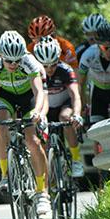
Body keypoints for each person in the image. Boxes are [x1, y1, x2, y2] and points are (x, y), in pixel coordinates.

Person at [0, 30, 51, 219]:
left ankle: (42, 192)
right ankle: (5, 174)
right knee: (0, 124)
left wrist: (38, 112)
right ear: (2, 55)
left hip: (29, 100)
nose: (13, 65)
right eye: (9, 61)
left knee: (33, 141)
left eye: (17, 60)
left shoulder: (29, 62)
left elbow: (39, 92)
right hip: (6, 97)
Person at [33, 36, 84, 178]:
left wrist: (77, 114)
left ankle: (76, 160)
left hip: (64, 104)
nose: (49, 69)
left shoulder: (65, 70)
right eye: (45, 65)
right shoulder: (34, 71)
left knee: (66, 117)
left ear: (58, 60)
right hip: (45, 107)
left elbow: (75, 95)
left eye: (53, 64)